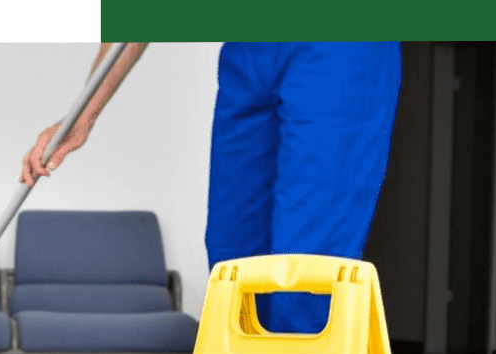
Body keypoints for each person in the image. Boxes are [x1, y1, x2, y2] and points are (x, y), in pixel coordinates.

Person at [20, 42, 400, 334]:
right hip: (250, 48)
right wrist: (85, 113)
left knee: (306, 269)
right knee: (233, 260)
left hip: (339, 45)